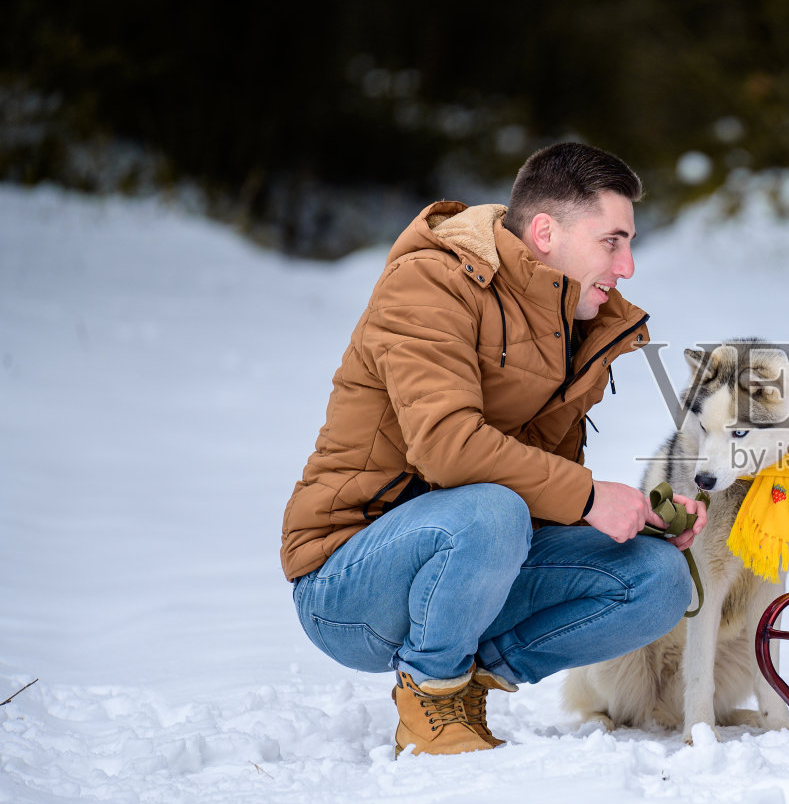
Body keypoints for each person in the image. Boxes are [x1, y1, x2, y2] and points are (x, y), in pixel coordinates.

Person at [281, 142, 706, 756]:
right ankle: (430, 695)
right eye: (612, 241)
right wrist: (588, 497)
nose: (628, 266)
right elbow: (447, 449)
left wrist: (636, 518)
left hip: (479, 555)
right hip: (347, 579)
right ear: (543, 233)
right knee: (491, 508)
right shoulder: (431, 280)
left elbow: (542, 490)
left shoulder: (573, 324)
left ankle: (466, 686)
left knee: (657, 580)